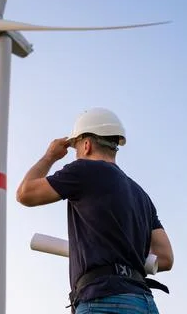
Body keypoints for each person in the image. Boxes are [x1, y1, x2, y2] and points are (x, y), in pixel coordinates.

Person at [16, 107, 174, 313]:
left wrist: (50, 157)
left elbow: (25, 193)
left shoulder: (84, 170)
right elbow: (165, 258)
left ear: (87, 145)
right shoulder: (141, 195)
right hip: (143, 302)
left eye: (76, 149)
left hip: (102, 299)